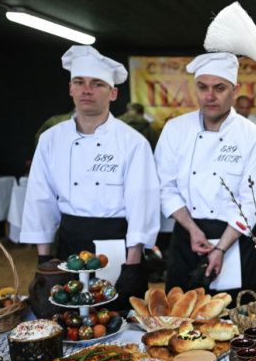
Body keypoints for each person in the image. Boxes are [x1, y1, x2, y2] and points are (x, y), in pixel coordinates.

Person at [21, 45, 160, 310]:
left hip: (118, 246)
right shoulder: (52, 139)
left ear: (113, 92)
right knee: (69, 317)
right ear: (71, 88)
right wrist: (44, 260)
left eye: (97, 84)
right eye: (79, 82)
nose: (87, 90)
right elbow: (41, 197)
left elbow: (142, 203)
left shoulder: (133, 142)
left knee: (116, 318)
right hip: (70, 242)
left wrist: (132, 264)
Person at [154, 53, 256, 299]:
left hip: (236, 239)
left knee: (237, 322)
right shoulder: (175, 130)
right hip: (187, 235)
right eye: (203, 87)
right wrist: (193, 231)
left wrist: (220, 248)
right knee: (180, 317)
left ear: (235, 90)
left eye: (219, 88)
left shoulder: (252, 136)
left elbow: (252, 202)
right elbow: (166, 187)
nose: (210, 96)